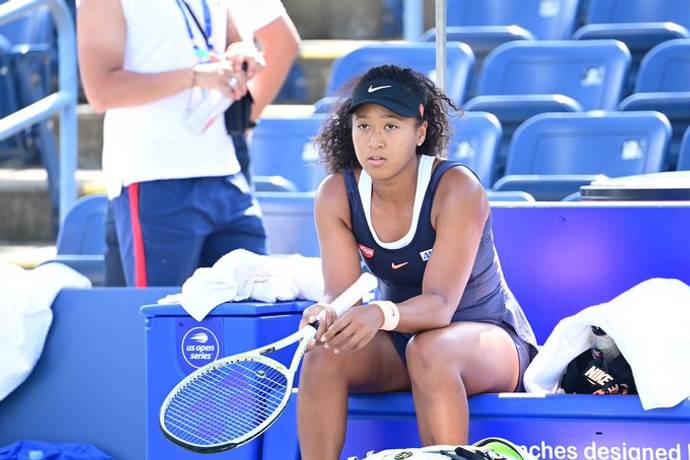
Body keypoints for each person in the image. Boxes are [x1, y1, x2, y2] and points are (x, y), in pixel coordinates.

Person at [297, 64, 538, 459]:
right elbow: (341, 294)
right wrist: (328, 312)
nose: (375, 140)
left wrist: (379, 313)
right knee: (326, 352)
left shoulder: (457, 188)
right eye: (363, 126)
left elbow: (440, 306)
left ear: (420, 133)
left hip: (487, 339)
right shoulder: (335, 194)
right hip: (402, 341)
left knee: (431, 350)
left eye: (391, 126)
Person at [77, 0, 270, 286]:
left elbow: (235, 40)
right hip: (153, 178)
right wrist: (194, 76)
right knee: (160, 309)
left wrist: (243, 54)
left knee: (256, 302)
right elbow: (101, 91)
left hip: (225, 171)